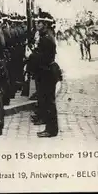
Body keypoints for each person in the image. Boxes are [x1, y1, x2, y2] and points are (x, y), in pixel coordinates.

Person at [26, 10, 61, 138]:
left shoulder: (46, 39)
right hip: (46, 72)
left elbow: (43, 58)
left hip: (47, 73)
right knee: (47, 101)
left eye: (39, 23)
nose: (37, 25)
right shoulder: (46, 36)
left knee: (49, 102)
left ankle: (51, 130)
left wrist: (31, 55)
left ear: (45, 25)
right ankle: (50, 128)